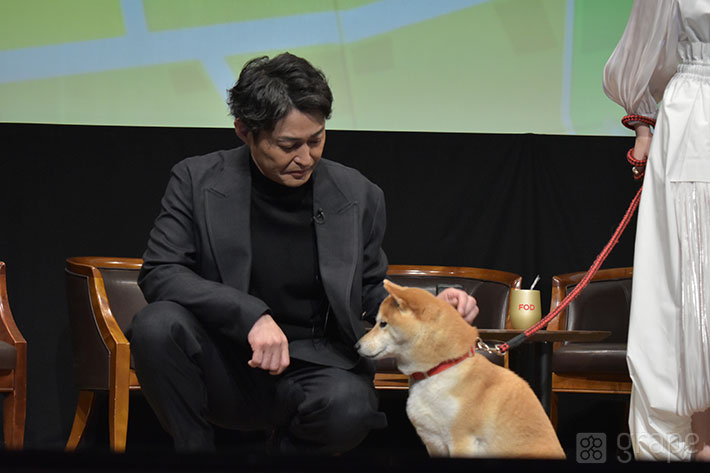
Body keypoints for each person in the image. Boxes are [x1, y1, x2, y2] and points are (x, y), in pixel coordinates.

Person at [128, 52, 479, 454]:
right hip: (224, 363)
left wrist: (431, 309)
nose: (306, 157)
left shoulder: (358, 194)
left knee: (350, 407)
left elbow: (369, 288)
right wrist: (250, 315)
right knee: (156, 325)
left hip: (315, 367)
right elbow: (161, 271)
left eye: (316, 140)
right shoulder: (196, 179)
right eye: (288, 145)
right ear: (244, 131)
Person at [604, 0, 710, 461]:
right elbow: (644, 37)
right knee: (693, 286)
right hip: (699, 114)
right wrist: (644, 125)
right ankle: (699, 438)